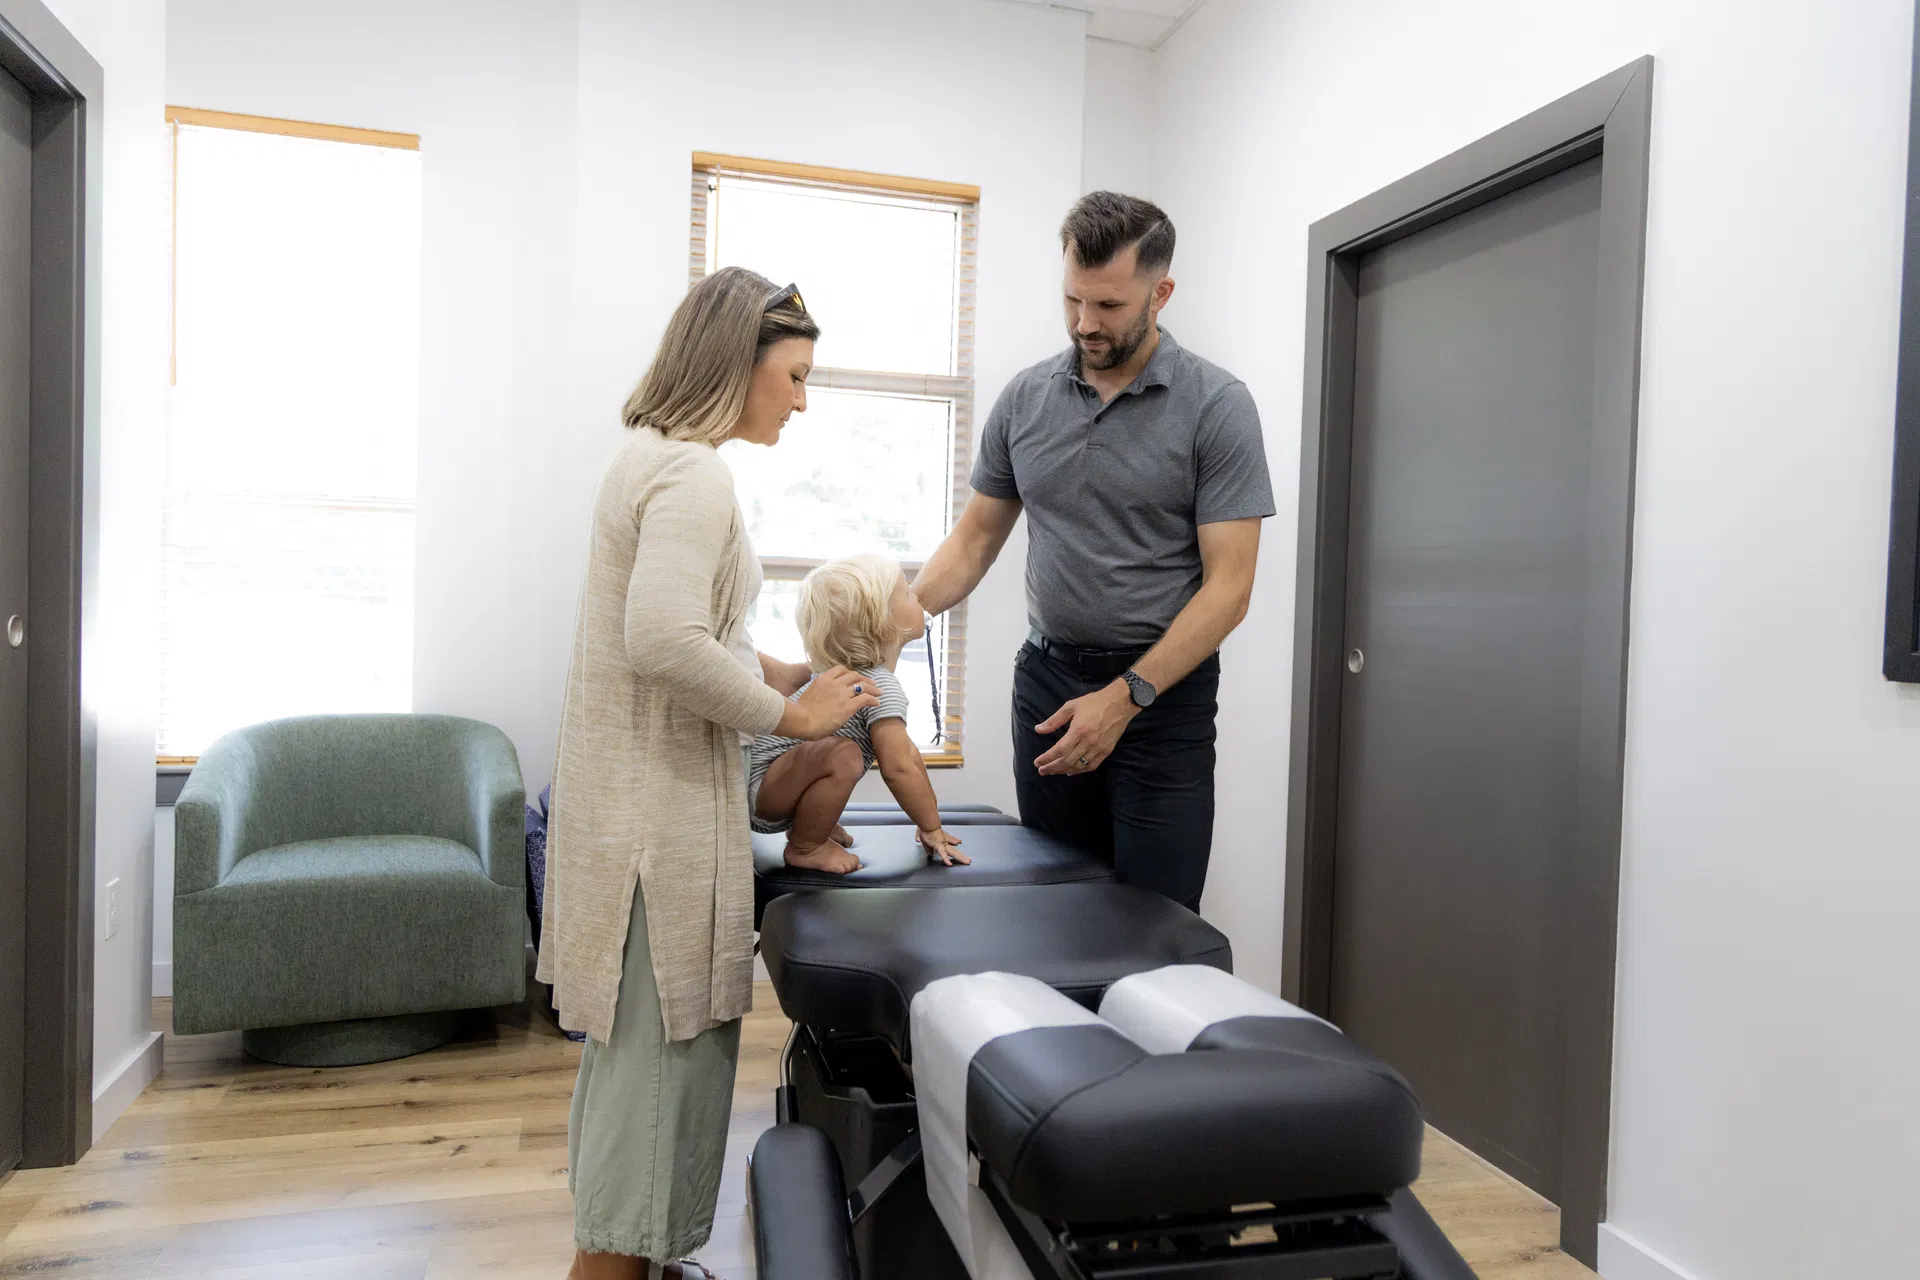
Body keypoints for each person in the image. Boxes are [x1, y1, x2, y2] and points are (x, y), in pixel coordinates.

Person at [539, 267, 879, 1280]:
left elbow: (691, 628)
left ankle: (638, 1262)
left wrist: (775, 667)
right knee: (655, 1089)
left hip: (628, 812)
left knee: (635, 1080)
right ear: (740, 362)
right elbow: (660, 639)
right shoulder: (695, 477)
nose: (802, 401)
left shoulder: (647, 458)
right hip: (659, 825)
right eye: (796, 376)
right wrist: (794, 714)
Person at [912, 192, 1273, 913]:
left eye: (1108, 305)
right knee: (1057, 911)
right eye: (1072, 299)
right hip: (1048, 684)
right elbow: (975, 539)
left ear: (1160, 294)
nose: (1085, 323)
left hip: (1161, 699)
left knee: (1156, 923)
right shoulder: (1025, 399)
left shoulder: (1217, 406)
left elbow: (1229, 589)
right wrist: (893, 617)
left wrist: (1126, 696)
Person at [747, 553, 971, 872]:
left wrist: (928, 820)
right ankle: (806, 846)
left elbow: (909, 756)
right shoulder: (878, 686)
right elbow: (898, 769)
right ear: (884, 624)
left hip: (772, 785)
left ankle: (814, 823)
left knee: (843, 752)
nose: (917, 595)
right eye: (907, 592)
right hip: (763, 793)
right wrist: (932, 829)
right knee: (845, 755)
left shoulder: (837, 678)